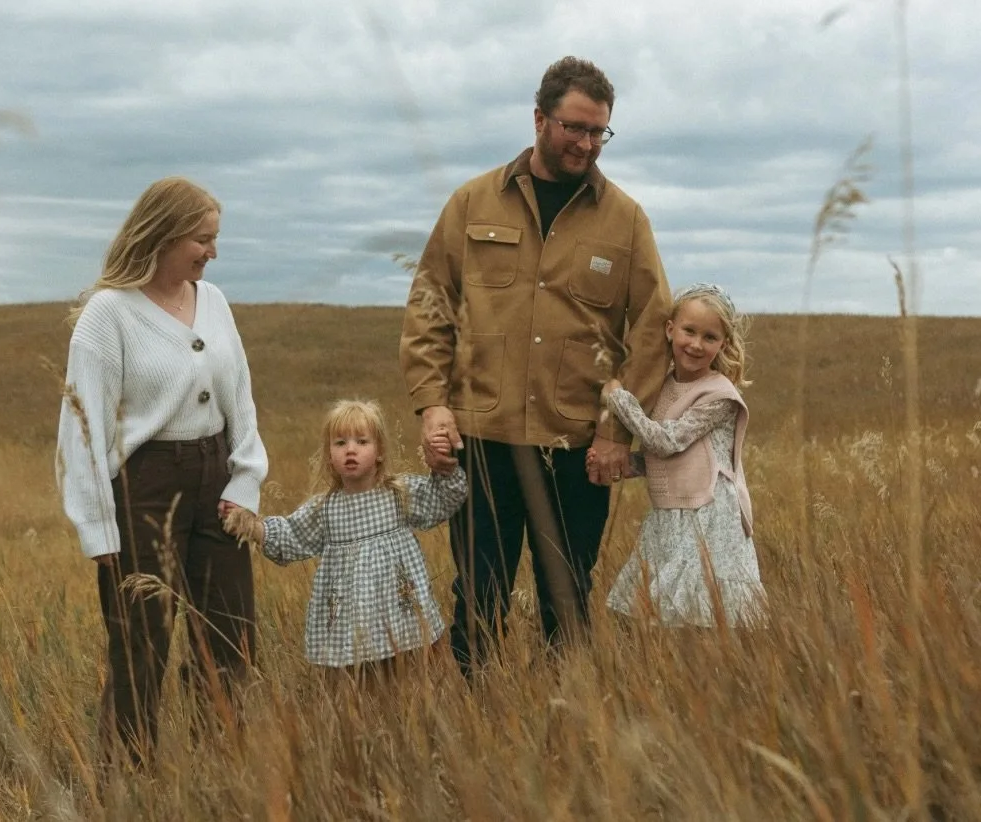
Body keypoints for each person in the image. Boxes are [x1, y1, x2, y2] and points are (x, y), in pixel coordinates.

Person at [400, 56, 672, 671]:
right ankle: (479, 730)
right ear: (539, 118)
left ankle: (568, 736)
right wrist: (432, 403)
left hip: (578, 448)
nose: (586, 143)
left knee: (568, 602)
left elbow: (654, 328)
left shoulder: (626, 220)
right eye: (574, 127)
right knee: (478, 601)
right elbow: (429, 304)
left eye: (599, 131)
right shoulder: (472, 202)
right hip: (483, 441)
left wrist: (614, 430)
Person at [56, 177, 268, 767]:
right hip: (143, 490)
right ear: (166, 233)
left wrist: (245, 480)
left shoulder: (216, 301)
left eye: (215, 239)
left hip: (217, 482)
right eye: (203, 239)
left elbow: (243, 398)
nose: (213, 252)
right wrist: (98, 529)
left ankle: (220, 774)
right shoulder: (109, 314)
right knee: (140, 648)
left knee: (230, 640)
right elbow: (82, 428)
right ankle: (127, 782)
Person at [223, 399, 467, 674]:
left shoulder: (398, 493)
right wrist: (252, 526)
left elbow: (443, 498)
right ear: (329, 455)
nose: (350, 450)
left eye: (362, 442)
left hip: (403, 617)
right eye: (340, 443)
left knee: (414, 677)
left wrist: (444, 467)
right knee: (363, 686)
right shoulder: (325, 508)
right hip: (352, 628)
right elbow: (291, 536)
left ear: (379, 452)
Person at [600, 282, 767, 626]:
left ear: (723, 344)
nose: (696, 344)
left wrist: (619, 399)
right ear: (670, 329)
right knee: (658, 616)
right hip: (671, 513)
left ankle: (711, 677)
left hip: (708, 515)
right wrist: (626, 464)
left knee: (702, 615)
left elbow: (667, 442)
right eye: (689, 331)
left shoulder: (720, 395)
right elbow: (668, 459)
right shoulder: (664, 385)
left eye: (709, 337)